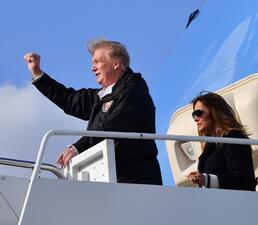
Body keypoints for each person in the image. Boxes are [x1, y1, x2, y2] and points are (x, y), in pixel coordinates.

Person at [24, 39, 162, 185]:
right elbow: (69, 99)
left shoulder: (134, 92)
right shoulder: (102, 96)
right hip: (113, 183)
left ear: (116, 64)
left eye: (97, 62)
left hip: (136, 183)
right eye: (92, 63)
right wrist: (38, 74)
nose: (92, 68)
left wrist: (78, 147)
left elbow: (111, 125)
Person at [187, 92, 256, 191]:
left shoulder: (234, 138)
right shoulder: (210, 147)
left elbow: (243, 181)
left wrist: (206, 180)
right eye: (194, 115)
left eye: (199, 113)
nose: (196, 119)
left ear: (214, 112)